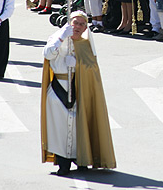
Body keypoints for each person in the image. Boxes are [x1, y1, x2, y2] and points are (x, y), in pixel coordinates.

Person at [41, 11, 116, 176]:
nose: (78, 27)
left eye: (82, 24)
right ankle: (63, 164)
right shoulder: (58, 38)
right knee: (60, 128)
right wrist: (61, 38)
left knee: (78, 126)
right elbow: (47, 54)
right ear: (69, 22)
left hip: (79, 87)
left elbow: (92, 68)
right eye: (75, 23)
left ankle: (81, 159)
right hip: (58, 88)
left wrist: (78, 66)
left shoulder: (85, 44)